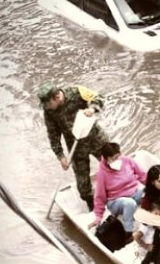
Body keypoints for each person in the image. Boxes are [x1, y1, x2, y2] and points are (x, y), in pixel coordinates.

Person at [39, 82, 109, 211]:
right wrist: (61, 157)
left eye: (48, 104)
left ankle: (120, 193)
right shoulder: (49, 112)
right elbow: (53, 136)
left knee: (113, 165)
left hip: (96, 138)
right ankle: (93, 207)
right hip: (76, 147)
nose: (47, 107)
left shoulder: (76, 91)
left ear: (57, 98)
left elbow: (99, 97)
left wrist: (92, 108)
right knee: (83, 187)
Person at [90, 142, 146, 234]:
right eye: (113, 158)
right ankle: (129, 232)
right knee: (129, 203)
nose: (117, 160)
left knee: (149, 191)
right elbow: (100, 197)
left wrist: (154, 185)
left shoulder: (128, 161)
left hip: (134, 193)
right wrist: (98, 217)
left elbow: (142, 175)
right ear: (106, 159)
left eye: (118, 156)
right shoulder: (102, 174)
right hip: (116, 201)